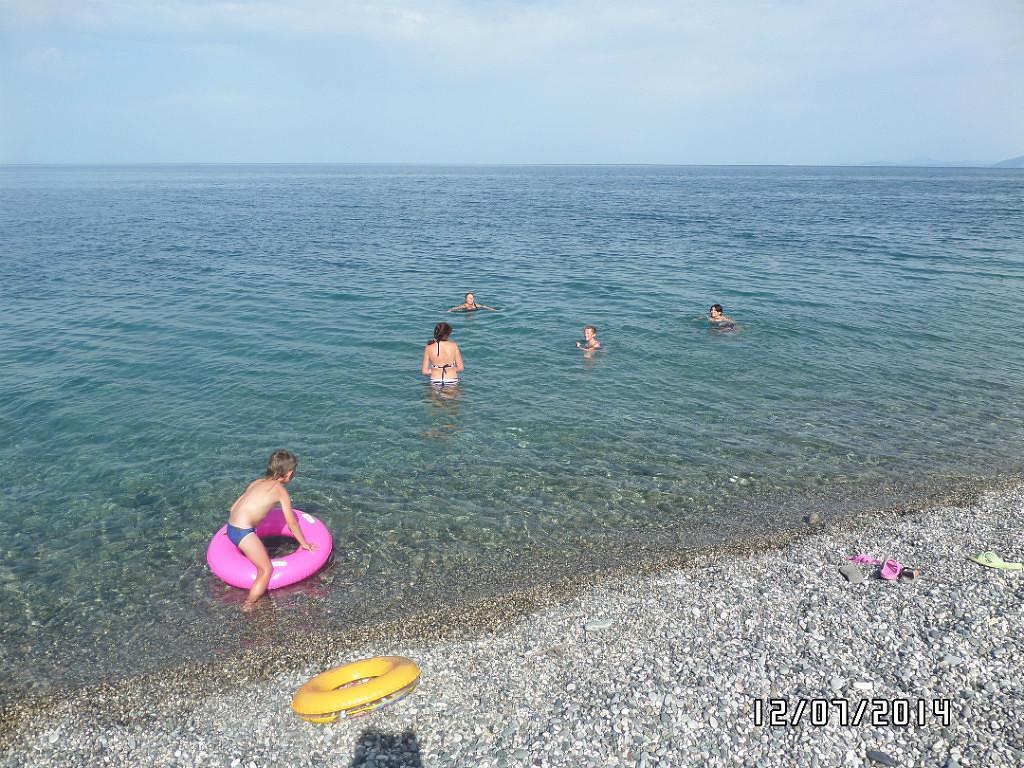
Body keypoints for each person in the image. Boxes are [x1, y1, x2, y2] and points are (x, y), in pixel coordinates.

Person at [227, 450, 316, 611]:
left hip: (231, 528)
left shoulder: (256, 482)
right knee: (266, 569)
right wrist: (304, 543)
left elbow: (233, 507)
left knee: (260, 556)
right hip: (243, 533)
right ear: (289, 474)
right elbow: (292, 523)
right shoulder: (280, 491)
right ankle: (248, 605)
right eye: (293, 472)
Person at [421, 322, 464, 386]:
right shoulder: (453, 346)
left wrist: (436, 369)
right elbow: (460, 368)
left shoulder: (429, 347)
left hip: (435, 380)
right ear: (448, 334)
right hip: (451, 379)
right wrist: (449, 369)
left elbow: (425, 371)